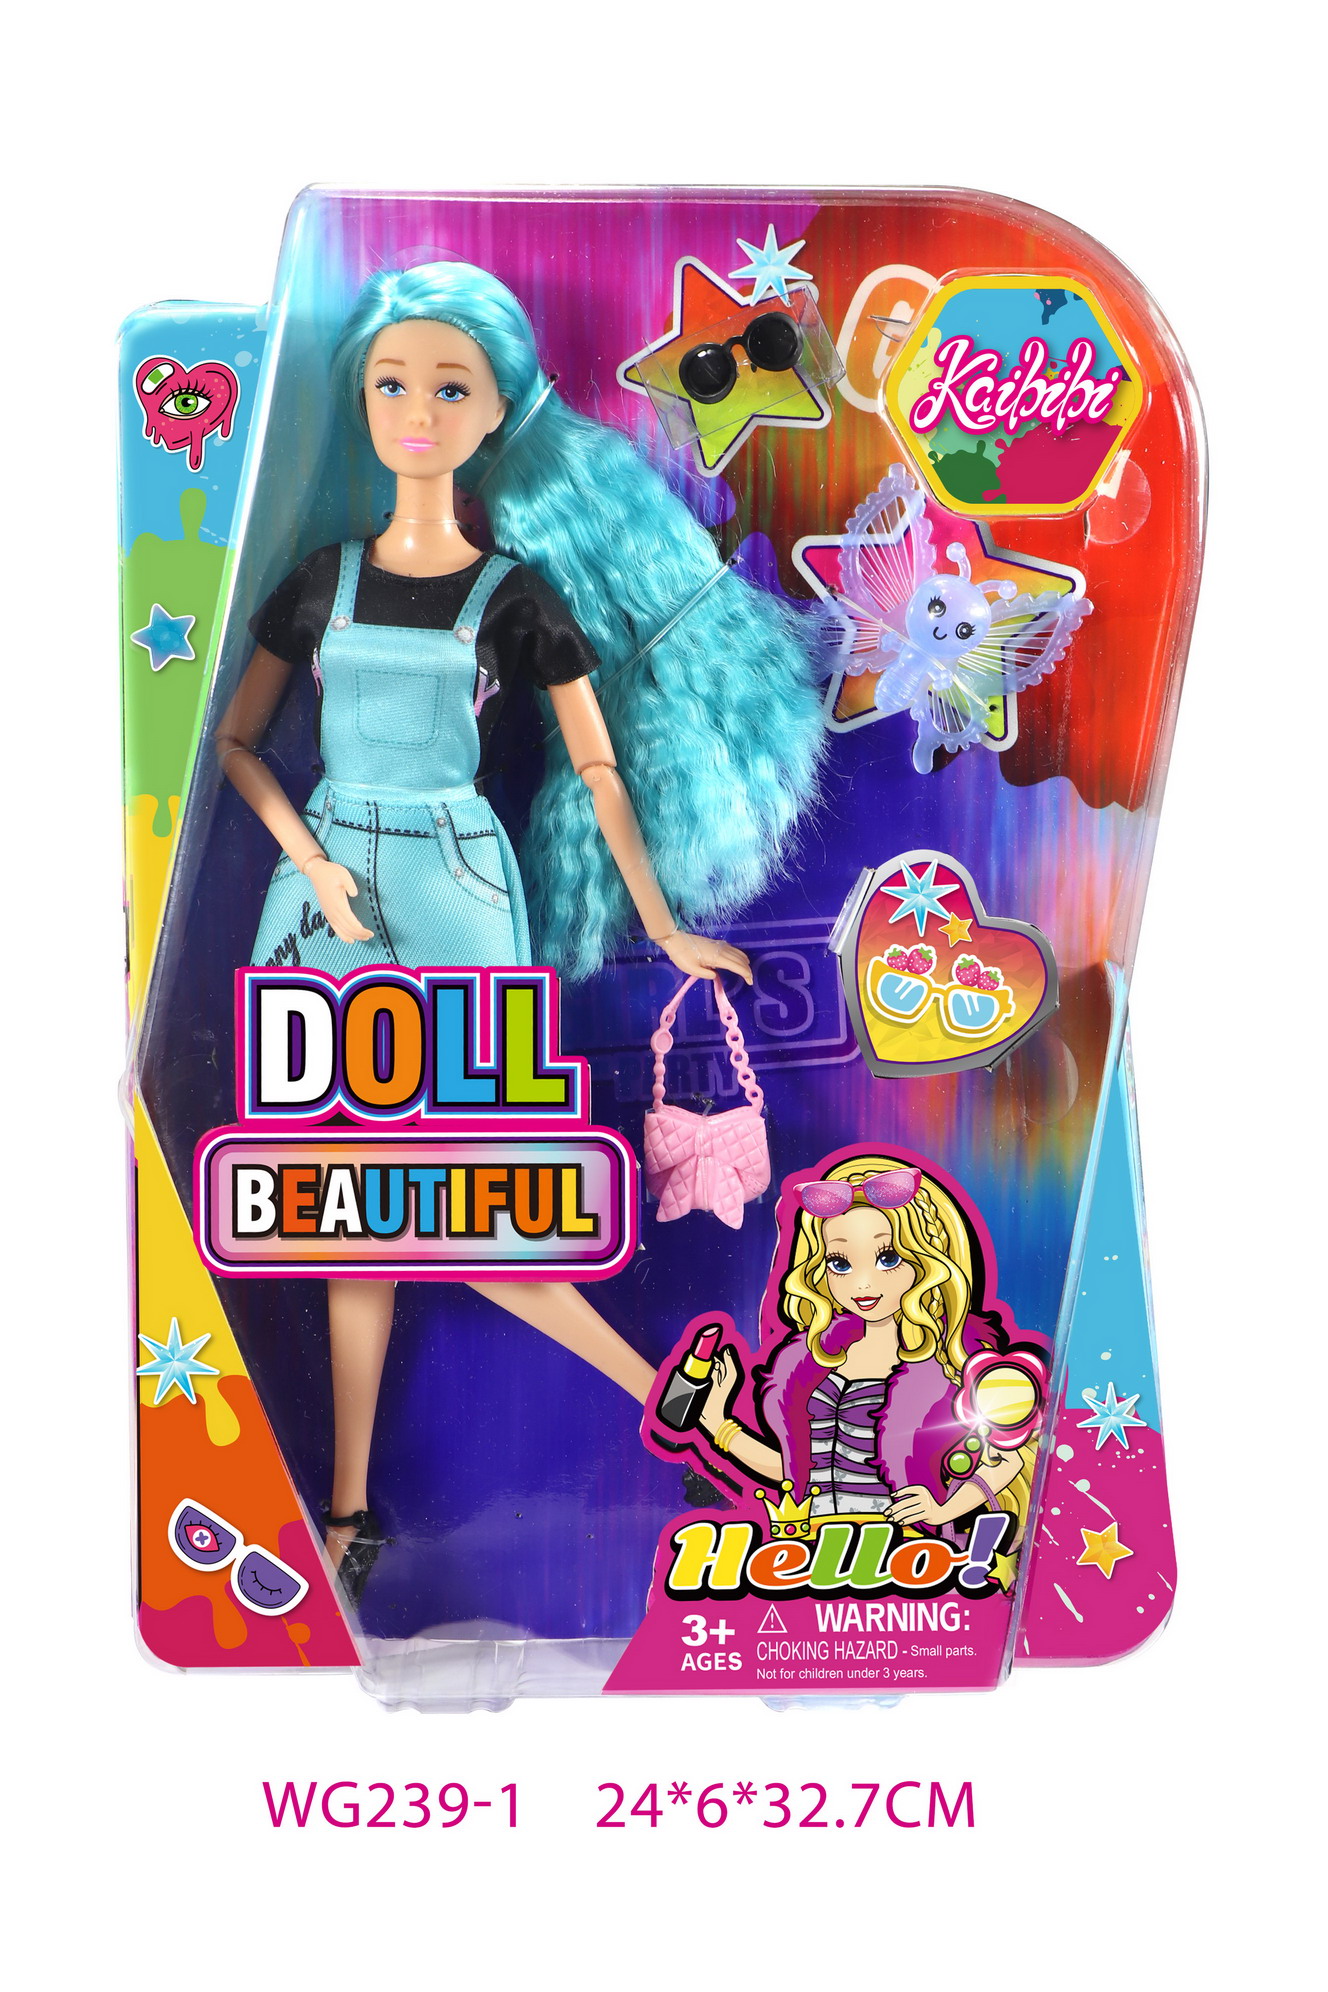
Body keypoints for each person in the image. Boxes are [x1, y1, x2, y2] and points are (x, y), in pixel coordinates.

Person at [216, 262, 823, 1599]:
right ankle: (352, 1506)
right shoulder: (320, 581)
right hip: (325, 895)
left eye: (450, 390)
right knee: (344, 1209)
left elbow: (599, 772)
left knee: (460, 1205)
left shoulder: (515, 598)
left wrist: (659, 924)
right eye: (391, 384)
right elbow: (238, 744)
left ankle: (659, 1398)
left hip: (456, 889)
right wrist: (311, 865)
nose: (415, 412)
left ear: (498, 413)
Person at [696, 1155, 1038, 1552]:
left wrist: (943, 1509)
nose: (862, 1284)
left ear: (927, 1259)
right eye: (839, 1262)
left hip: (909, 1553)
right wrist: (717, 1423)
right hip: (817, 1550)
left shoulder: (952, 1360)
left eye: (887, 1258)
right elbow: (794, 1470)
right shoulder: (807, 1363)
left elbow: (1007, 1458)